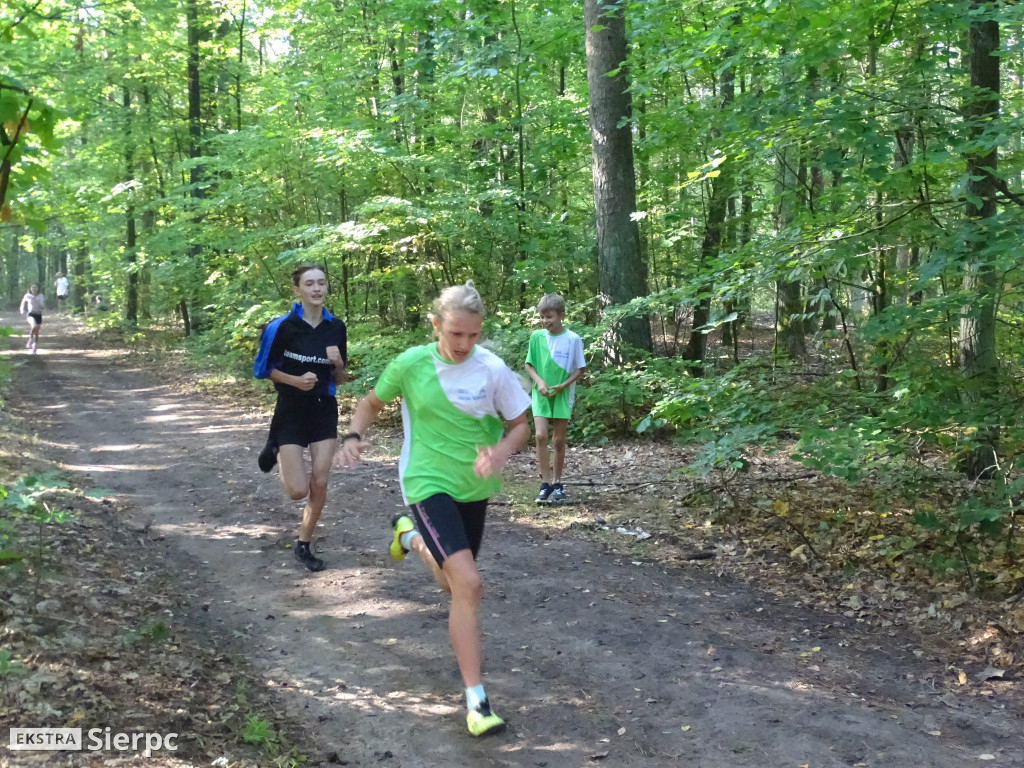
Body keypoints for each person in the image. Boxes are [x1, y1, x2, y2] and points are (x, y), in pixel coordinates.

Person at [339, 281, 530, 737]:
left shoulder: (492, 369)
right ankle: (477, 703)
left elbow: (521, 424)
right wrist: (353, 435)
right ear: (435, 326)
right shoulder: (410, 364)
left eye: (473, 335)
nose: (465, 344)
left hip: (474, 486)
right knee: (469, 583)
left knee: (455, 588)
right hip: (426, 482)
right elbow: (370, 403)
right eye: (455, 334)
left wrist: (502, 452)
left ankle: (409, 537)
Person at [252, 264, 347, 572]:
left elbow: (340, 378)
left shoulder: (336, 327)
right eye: (310, 284)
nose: (317, 288)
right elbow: (262, 370)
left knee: (320, 480)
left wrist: (338, 365)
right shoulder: (280, 326)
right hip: (290, 409)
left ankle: (304, 543)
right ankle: (275, 445)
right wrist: (294, 380)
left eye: (321, 283)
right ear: (298, 290)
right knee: (297, 491)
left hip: (323, 409)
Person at [524, 293, 586, 504]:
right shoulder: (536, 337)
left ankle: (558, 484)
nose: (545, 321)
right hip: (540, 392)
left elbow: (580, 369)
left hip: (562, 393)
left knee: (558, 440)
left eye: (549, 316)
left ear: (561, 315)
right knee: (541, 436)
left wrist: (563, 385)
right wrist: (539, 382)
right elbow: (529, 365)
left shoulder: (573, 339)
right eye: (542, 316)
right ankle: (545, 484)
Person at [19, 284, 45, 353]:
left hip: (38, 314)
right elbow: (23, 302)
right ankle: (30, 340)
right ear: (30, 288)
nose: (34, 288)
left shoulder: (40, 296)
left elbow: (42, 305)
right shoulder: (27, 295)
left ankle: (35, 346)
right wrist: (22, 309)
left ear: (38, 289)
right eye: (32, 287)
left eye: (36, 287)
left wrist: (42, 305)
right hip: (31, 314)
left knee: (36, 332)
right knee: (34, 326)